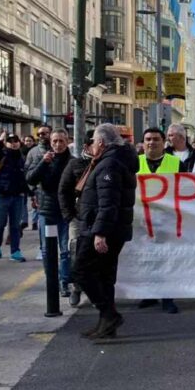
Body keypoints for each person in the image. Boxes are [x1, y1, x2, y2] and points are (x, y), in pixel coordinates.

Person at [71, 124, 138, 339]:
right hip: (109, 228)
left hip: (101, 230)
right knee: (104, 276)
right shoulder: (115, 160)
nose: (90, 146)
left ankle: (108, 314)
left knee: (81, 271)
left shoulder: (109, 164)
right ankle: (106, 324)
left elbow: (108, 203)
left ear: (101, 142)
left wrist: (100, 233)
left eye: (92, 142)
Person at [135, 128, 181, 314]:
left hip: (167, 218)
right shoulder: (134, 163)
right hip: (141, 220)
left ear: (164, 142)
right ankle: (150, 293)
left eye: (156, 139)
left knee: (166, 258)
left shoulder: (177, 163)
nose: (151, 143)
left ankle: (167, 297)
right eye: (148, 139)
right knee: (147, 258)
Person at [27, 129, 74, 297]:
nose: (58, 144)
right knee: (47, 249)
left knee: (65, 249)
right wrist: (43, 163)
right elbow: (30, 179)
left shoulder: (73, 162)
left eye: (61, 141)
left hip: (65, 211)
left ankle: (64, 281)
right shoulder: (44, 159)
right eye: (55, 141)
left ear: (67, 141)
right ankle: (51, 280)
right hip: (47, 211)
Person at [58, 130, 95, 308]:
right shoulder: (75, 164)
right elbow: (63, 190)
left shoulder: (107, 163)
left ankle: (96, 292)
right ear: (88, 145)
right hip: (78, 218)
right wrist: (69, 215)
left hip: (99, 217)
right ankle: (77, 288)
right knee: (76, 253)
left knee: (98, 256)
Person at [0, 133, 30, 261]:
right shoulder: (2, 155)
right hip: (1, 195)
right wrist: (0, 139)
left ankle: (15, 250)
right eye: (10, 141)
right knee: (0, 223)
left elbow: (24, 178)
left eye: (16, 141)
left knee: (15, 225)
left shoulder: (22, 158)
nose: (13, 143)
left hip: (18, 196)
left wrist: (31, 194)